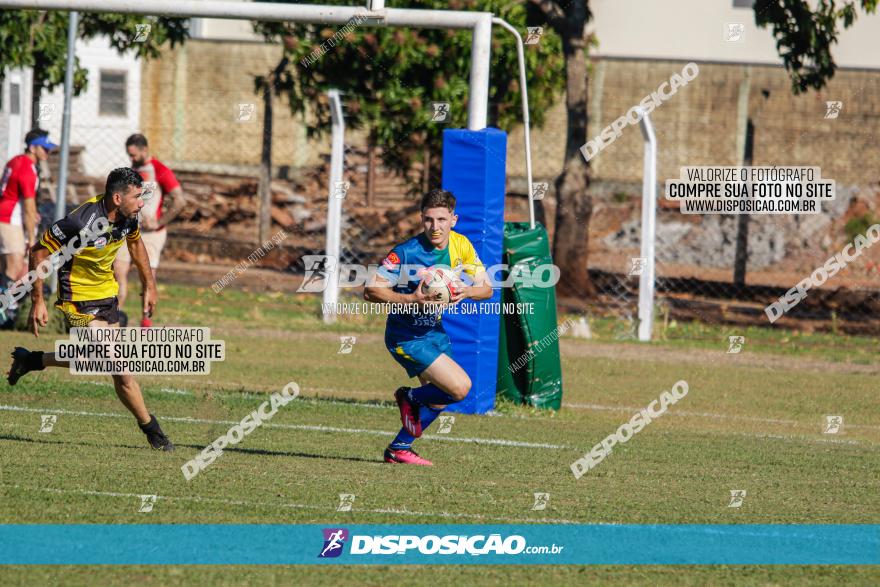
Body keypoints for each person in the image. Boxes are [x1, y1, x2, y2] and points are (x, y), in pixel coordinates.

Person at [6, 167, 175, 451]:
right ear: (117, 198)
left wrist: (150, 285)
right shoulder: (81, 221)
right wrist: (37, 299)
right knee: (119, 367)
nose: (142, 203)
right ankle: (153, 431)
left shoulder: (128, 217)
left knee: (101, 360)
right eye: (137, 197)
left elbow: (136, 247)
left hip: (106, 295)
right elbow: (38, 251)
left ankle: (33, 360)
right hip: (78, 298)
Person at [364, 189, 492, 466]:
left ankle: (398, 449)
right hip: (405, 337)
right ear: (422, 219)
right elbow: (371, 290)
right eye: (429, 220)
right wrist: (410, 298)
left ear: (453, 220)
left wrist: (466, 292)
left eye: (442, 220)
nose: (435, 227)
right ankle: (407, 396)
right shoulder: (406, 252)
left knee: (439, 399)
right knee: (459, 388)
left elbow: (487, 288)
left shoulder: (462, 246)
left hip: (433, 331)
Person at [114, 133, 185, 327]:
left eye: (134, 154)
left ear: (145, 150)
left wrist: (159, 222)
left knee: (147, 279)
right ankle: (112, 321)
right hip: (128, 231)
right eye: (129, 155)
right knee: (117, 273)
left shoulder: (160, 170)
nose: (132, 159)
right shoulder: (131, 172)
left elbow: (180, 201)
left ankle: (146, 322)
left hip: (152, 235)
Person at [0, 129, 57, 285]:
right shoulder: (27, 168)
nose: (48, 152)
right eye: (44, 148)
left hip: (5, 216)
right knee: (15, 266)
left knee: (6, 266)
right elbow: (28, 205)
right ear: (32, 148)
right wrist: (31, 238)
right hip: (10, 219)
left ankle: (8, 305)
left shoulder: (15, 160)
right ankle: (6, 306)